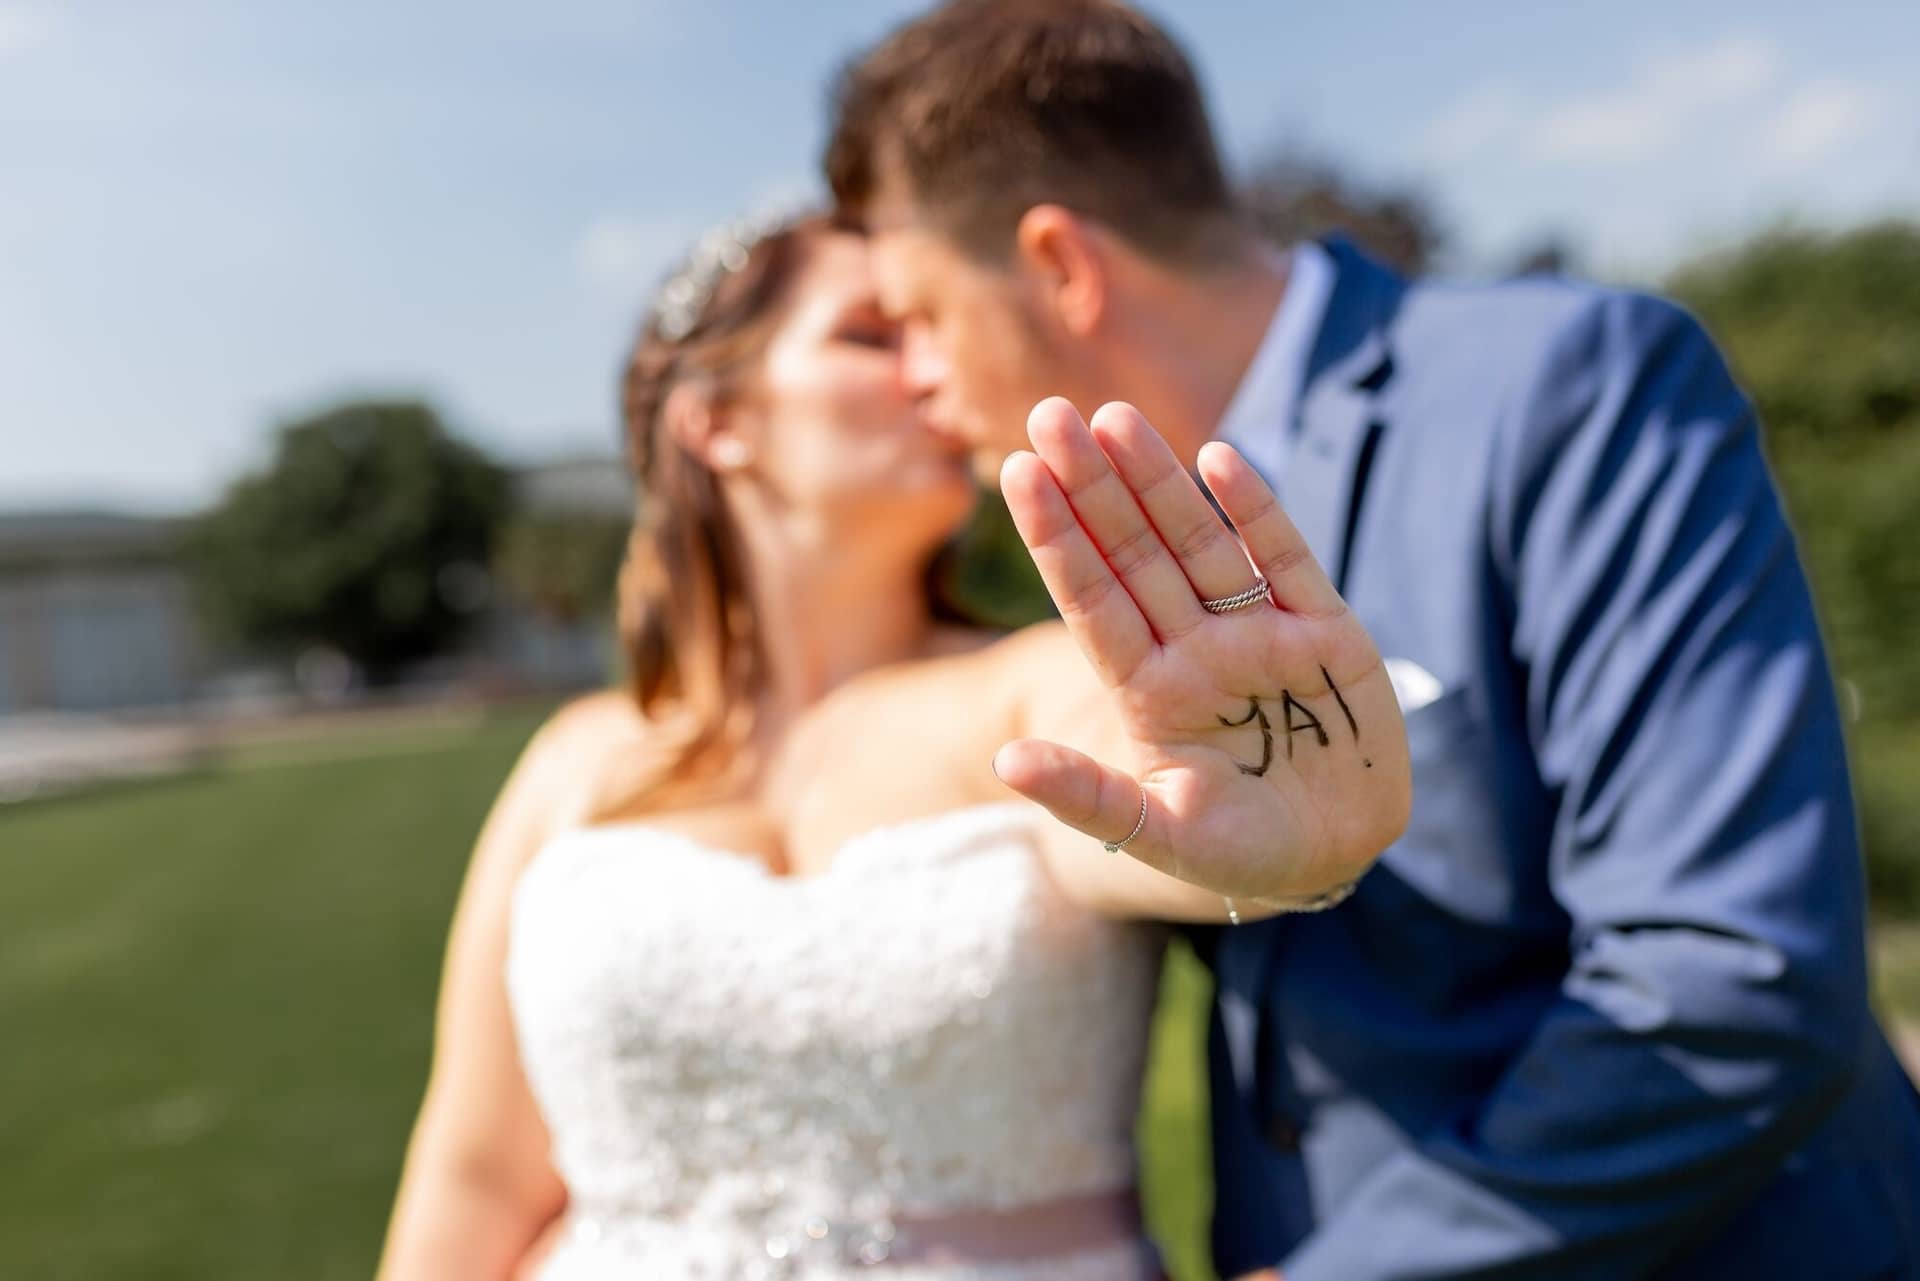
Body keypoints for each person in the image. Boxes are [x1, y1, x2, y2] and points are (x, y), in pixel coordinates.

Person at [821, 1, 1920, 1277]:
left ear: (1061, 266)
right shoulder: (1103, 570)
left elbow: (1729, 971)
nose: (910, 377)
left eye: (916, 316)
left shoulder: (1572, 386)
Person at [376, 211, 1409, 1278]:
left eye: (929, 325)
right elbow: (479, 1175)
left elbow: (1181, 802)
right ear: (714, 420)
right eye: (873, 336)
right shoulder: (573, 764)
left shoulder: (1032, 687)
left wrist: (1300, 810)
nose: (934, 366)